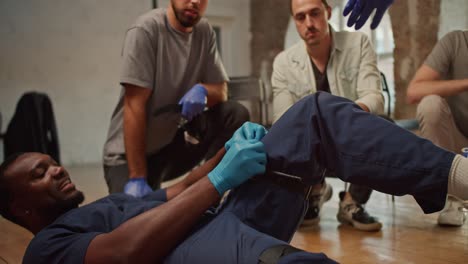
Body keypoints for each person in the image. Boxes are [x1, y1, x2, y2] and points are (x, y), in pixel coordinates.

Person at [2, 92, 468, 264]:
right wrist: (221, 180)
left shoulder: (99, 209)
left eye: (52, 161)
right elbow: (126, 252)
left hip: (216, 215)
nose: (56, 167)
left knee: (312, 114)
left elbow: (182, 188)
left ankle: (459, 175)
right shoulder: (47, 247)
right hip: (185, 247)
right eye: (40, 173)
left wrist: (233, 151)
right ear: (19, 207)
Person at [102, 0, 249, 198]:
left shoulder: (204, 31)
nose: (195, 1)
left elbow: (221, 91)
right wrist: (138, 177)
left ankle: (207, 190)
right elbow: (134, 105)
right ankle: (143, 184)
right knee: (134, 220)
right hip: (128, 157)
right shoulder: (145, 30)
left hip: (169, 145)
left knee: (235, 114)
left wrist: (203, 90)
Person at [272, 0, 383, 231]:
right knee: (283, 138)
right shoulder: (283, 62)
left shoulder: (358, 43)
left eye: (315, 13)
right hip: (311, 146)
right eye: (301, 17)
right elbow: (283, 118)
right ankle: (315, 190)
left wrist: (342, 118)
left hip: (352, 135)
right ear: (295, 21)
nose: (309, 23)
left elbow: (374, 97)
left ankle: (352, 203)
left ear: (328, 12)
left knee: (381, 125)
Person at [407, 30, 468, 226]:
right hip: (458, 139)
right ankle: (451, 200)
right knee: (430, 105)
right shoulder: (456, 41)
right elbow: (414, 91)